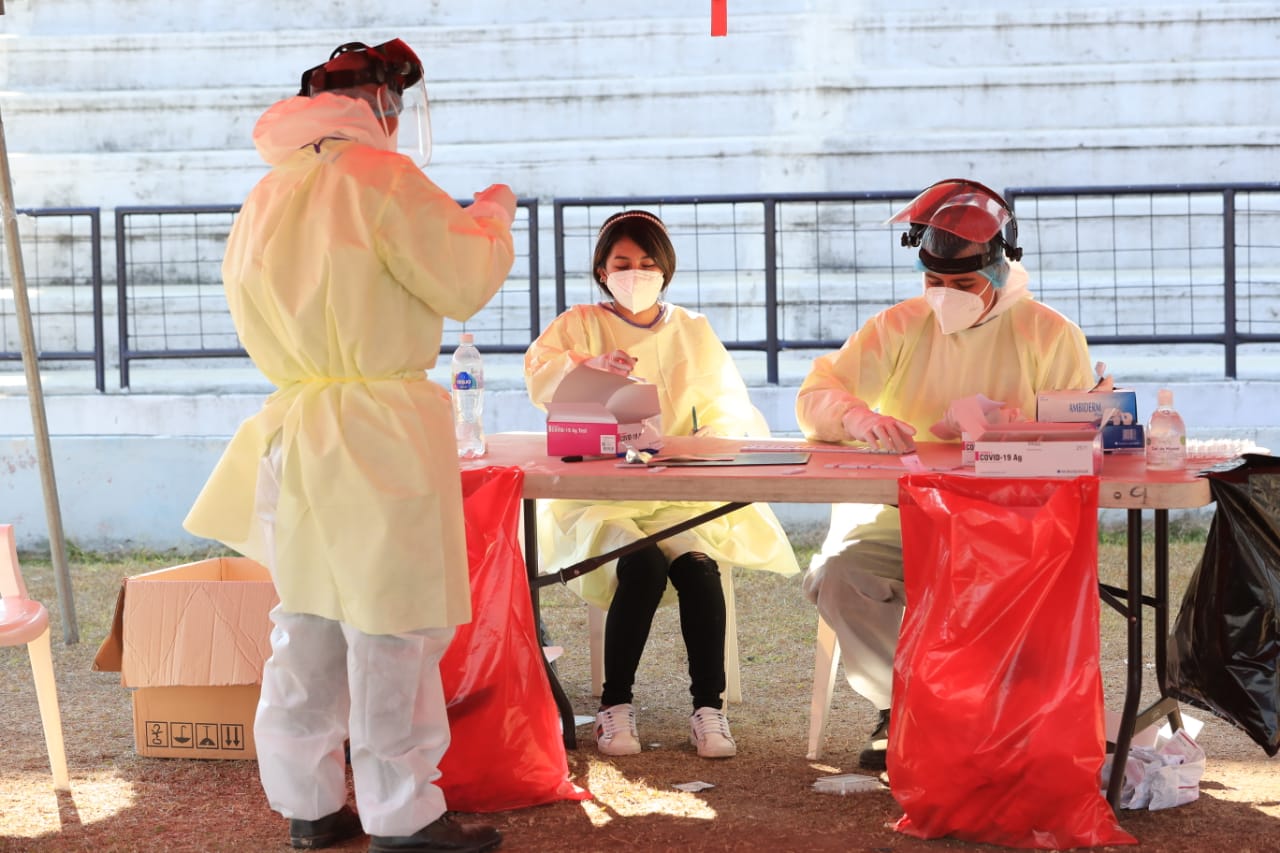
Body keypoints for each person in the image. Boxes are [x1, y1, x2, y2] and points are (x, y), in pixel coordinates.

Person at [183, 39, 515, 853]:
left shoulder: (266, 193)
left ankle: (309, 802)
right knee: (393, 625)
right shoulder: (381, 179)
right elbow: (465, 278)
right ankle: (403, 812)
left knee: (309, 621)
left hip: (297, 426)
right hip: (378, 429)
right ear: (381, 105)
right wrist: (493, 215)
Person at [795, 179, 1094, 771]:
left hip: (1006, 522)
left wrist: (1008, 432)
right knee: (839, 576)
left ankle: (958, 711)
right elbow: (816, 395)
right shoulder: (899, 326)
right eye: (935, 283)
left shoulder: (1050, 334)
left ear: (1002, 271)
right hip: (900, 512)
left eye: (963, 284)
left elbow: (1076, 442)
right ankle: (910, 704)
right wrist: (858, 416)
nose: (946, 296)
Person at [524, 210, 800, 759]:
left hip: (675, 489)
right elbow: (541, 377)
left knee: (697, 568)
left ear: (665, 269)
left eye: (648, 263)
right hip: (597, 497)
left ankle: (709, 708)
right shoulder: (578, 322)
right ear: (601, 270)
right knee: (641, 562)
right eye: (622, 263)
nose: (635, 273)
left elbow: (729, 407)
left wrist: (704, 439)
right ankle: (614, 707)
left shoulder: (691, 329)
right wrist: (589, 367)